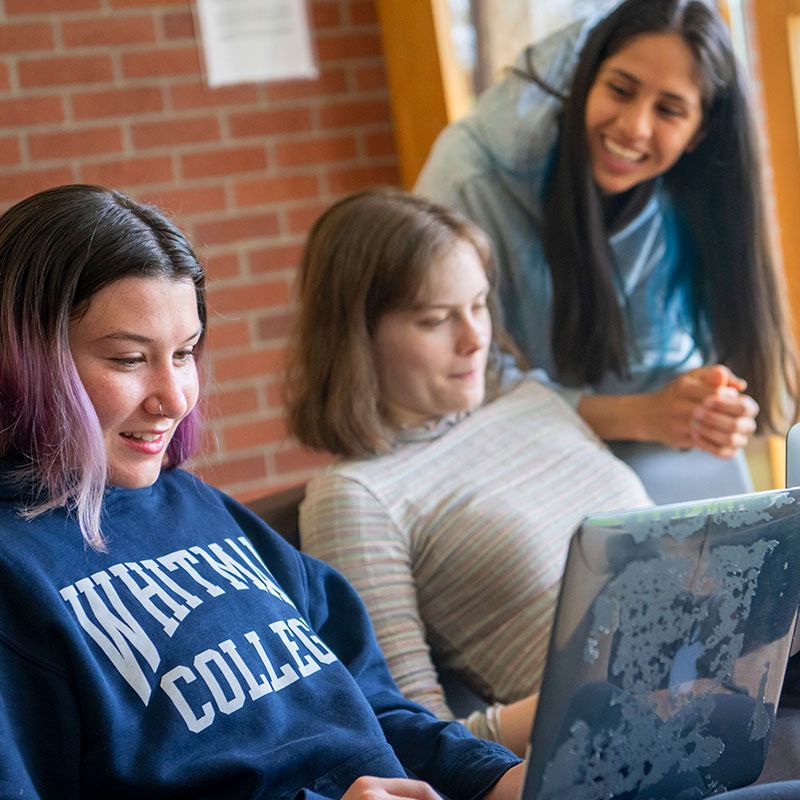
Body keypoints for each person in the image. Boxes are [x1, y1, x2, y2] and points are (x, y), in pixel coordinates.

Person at [0, 184, 524, 799]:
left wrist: (493, 778)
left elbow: (372, 708)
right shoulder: (17, 573)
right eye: (128, 359)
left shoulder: (202, 508)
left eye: (186, 353)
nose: (174, 398)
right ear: (23, 360)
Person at [286, 187, 653, 757]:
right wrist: (582, 694)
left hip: (740, 673)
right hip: (627, 740)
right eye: (436, 319)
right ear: (358, 340)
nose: (476, 337)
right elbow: (414, 738)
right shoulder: (355, 496)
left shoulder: (532, 401)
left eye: (479, 305)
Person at [414, 0, 798, 468]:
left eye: (670, 110)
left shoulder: (696, 189)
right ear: (585, 79)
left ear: (700, 132)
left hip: (654, 464)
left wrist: (710, 409)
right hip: (505, 462)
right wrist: (640, 416)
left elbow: (685, 364)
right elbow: (449, 379)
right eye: (620, 89)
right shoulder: (468, 175)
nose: (634, 127)